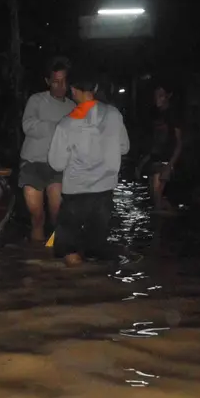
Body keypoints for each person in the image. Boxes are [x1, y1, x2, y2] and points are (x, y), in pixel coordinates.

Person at [48, 71, 130, 267]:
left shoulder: (67, 123)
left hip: (76, 192)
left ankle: (73, 288)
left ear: (73, 91)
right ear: (94, 89)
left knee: (70, 250)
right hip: (104, 191)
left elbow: (56, 163)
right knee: (96, 249)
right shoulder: (114, 114)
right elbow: (124, 147)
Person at [19, 57, 76, 242]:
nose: (60, 86)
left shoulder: (73, 107)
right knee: (37, 218)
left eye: (64, 81)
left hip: (58, 168)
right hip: (32, 164)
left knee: (57, 216)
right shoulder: (36, 100)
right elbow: (28, 126)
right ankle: (37, 262)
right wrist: (59, 126)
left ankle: (55, 259)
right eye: (56, 81)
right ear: (48, 81)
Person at [146, 83, 184, 215]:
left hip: (166, 161)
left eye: (161, 95)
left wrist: (169, 166)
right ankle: (173, 214)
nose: (157, 98)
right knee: (155, 198)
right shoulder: (155, 115)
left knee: (157, 199)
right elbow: (155, 142)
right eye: (156, 95)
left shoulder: (173, 115)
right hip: (156, 160)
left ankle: (161, 231)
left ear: (168, 96)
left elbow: (179, 143)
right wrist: (143, 162)